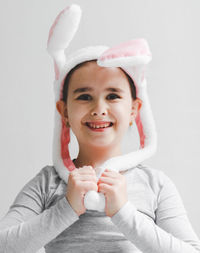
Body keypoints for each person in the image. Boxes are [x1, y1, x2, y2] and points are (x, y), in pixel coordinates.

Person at [0, 4, 200, 253]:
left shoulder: (155, 185)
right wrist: (68, 207)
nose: (99, 108)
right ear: (64, 112)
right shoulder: (46, 183)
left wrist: (123, 212)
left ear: (134, 111)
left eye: (113, 96)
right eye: (84, 97)